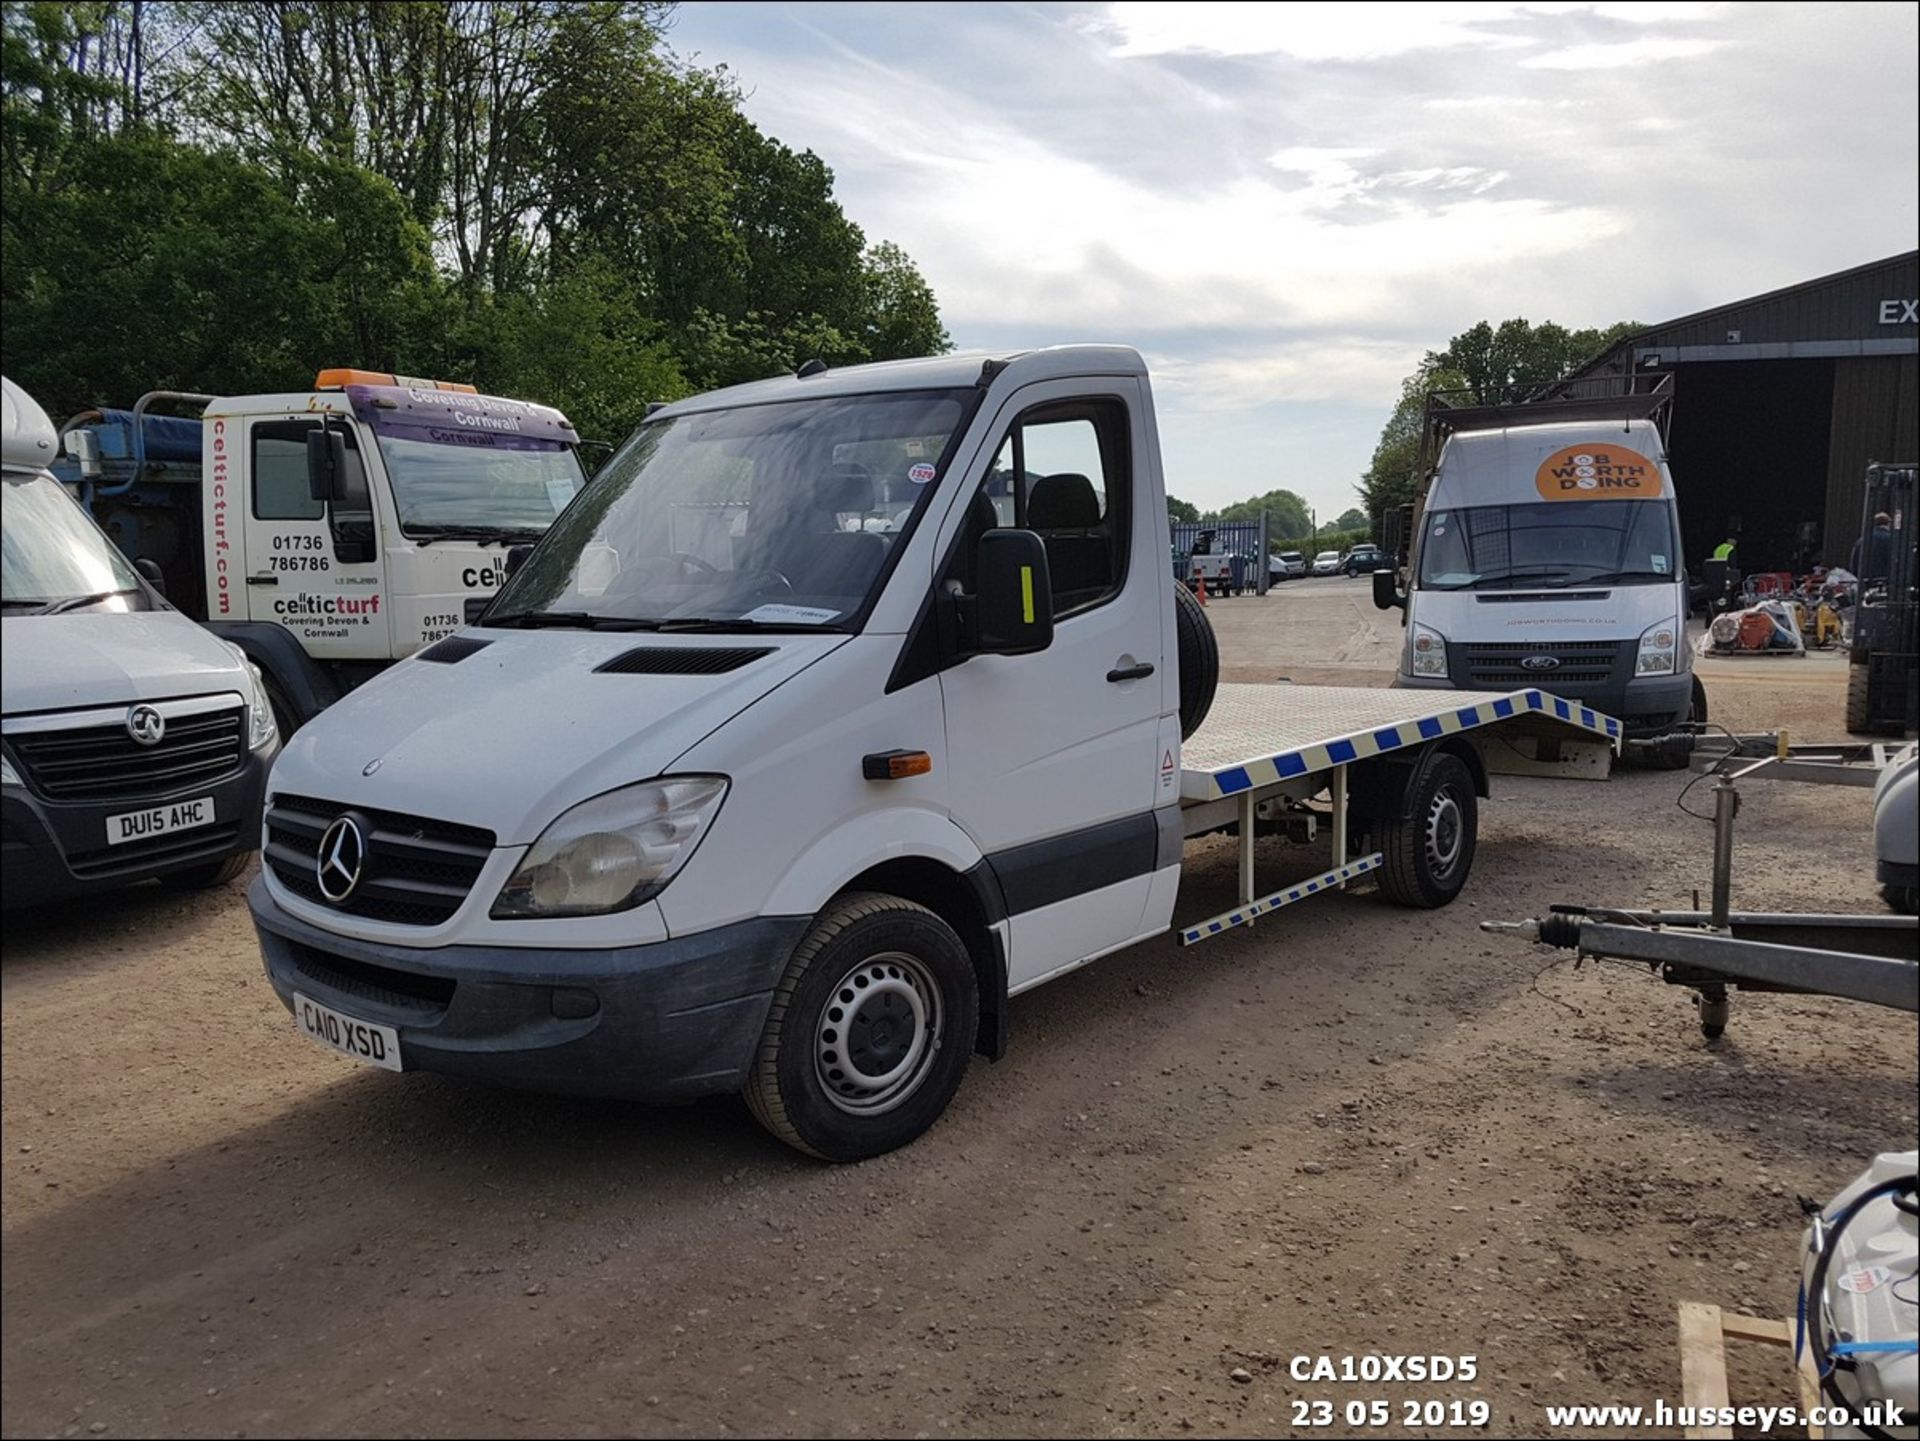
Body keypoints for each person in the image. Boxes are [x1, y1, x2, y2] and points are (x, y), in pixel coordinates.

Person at [1849, 511, 1893, 584]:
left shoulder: (1862, 540)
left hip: (1864, 581)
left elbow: (1854, 563)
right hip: (1884, 581)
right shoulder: (1892, 541)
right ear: (1888, 524)